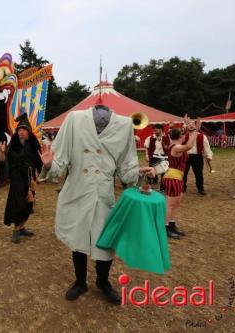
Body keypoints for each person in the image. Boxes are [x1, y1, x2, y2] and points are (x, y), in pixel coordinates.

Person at [39, 105, 155, 305]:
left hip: (104, 193)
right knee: (79, 237)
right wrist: (49, 164)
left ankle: (102, 282)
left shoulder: (125, 124)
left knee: (106, 241)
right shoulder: (74, 119)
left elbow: (126, 168)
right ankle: (80, 281)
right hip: (78, 190)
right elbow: (59, 164)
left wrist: (140, 173)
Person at [0, 114, 42, 243]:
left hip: (30, 180)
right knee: (18, 204)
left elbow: (39, 163)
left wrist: (39, 174)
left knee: (29, 204)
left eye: (24, 130)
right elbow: (3, 162)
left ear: (29, 132)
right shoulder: (12, 147)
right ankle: (16, 230)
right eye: (19, 130)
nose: (21, 132)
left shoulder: (33, 146)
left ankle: (22, 227)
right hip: (17, 179)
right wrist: (1, 153)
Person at [162, 118, 201, 239]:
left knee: (177, 203)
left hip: (178, 178)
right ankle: (165, 228)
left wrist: (188, 125)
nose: (185, 136)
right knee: (170, 204)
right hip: (172, 178)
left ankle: (172, 225)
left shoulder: (176, 145)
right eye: (183, 135)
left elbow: (185, 136)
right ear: (180, 137)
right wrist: (195, 130)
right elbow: (189, 145)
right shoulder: (175, 147)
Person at [182, 124, 213, 196]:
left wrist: (209, 155)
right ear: (187, 126)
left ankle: (200, 188)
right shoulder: (183, 136)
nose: (191, 126)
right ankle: (182, 188)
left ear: (196, 127)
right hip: (185, 156)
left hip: (197, 156)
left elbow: (206, 147)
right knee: (183, 173)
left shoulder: (202, 136)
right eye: (190, 125)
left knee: (198, 173)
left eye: (193, 125)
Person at [144, 124, 170, 190]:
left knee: (164, 174)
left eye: (156, 130)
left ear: (161, 130)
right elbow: (146, 147)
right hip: (154, 157)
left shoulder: (168, 137)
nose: (154, 132)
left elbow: (171, 146)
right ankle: (148, 187)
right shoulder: (150, 138)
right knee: (150, 173)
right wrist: (147, 155)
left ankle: (162, 189)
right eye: (154, 130)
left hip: (165, 157)